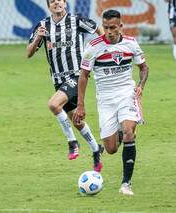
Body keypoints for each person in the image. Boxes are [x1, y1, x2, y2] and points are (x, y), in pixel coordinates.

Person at [73, 9, 149, 195]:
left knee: (129, 131)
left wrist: (140, 85)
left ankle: (126, 184)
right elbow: (83, 76)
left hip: (126, 94)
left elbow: (144, 68)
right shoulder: (93, 46)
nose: (109, 31)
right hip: (105, 100)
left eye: (113, 27)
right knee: (111, 148)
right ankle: (122, 132)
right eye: (106, 27)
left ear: (120, 26)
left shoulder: (131, 44)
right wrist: (81, 105)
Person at [26, 0, 104, 172]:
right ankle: (96, 149)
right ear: (49, 6)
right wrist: (39, 37)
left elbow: (98, 28)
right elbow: (28, 53)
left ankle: (72, 142)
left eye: (59, 0)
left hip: (77, 75)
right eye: (52, 1)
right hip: (58, 81)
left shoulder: (76, 21)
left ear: (65, 3)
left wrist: (103, 49)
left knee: (53, 104)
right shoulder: (43, 26)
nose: (56, 3)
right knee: (76, 120)